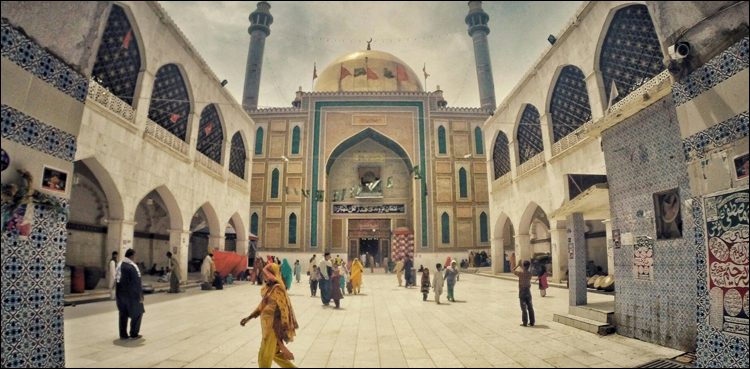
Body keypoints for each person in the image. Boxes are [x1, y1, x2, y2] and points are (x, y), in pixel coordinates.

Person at [241, 262, 298, 368]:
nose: (264, 276)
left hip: (272, 327)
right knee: (275, 354)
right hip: (266, 327)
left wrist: (283, 330)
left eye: (267, 274)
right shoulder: (269, 287)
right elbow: (262, 305)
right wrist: (249, 317)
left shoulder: (277, 289)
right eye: (264, 273)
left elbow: (284, 311)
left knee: (264, 357)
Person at [116, 249, 144, 340]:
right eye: (135, 256)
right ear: (132, 256)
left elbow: (116, 279)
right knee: (138, 312)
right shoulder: (132, 267)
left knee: (123, 314)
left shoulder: (120, 264)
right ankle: (134, 333)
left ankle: (123, 334)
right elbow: (137, 282)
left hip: (120, 295)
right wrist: (140, 295)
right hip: (132, 295)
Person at [514, 260, 535, 327]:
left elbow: (512, 270)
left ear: (523, 266)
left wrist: (518, 265)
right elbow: (527, 271)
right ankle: (532, 322)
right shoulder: (530, 274)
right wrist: (523, 266)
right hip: (528, 291)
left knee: (523, 308)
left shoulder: (520, 273)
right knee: (530, 307)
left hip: (522, 292)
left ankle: (525, 322)